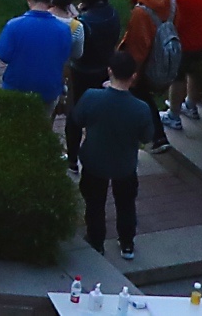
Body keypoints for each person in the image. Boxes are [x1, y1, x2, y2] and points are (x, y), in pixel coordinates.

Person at [69, 51, 154, 260]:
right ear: (133, 76)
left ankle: (96, 241)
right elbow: (147, 137)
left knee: (94, 204)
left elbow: (77, 119)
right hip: (125, 165)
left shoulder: (91, 97)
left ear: (109, 71)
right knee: (126, 204)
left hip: (94, 162)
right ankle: (127, 244)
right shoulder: (141, 109)